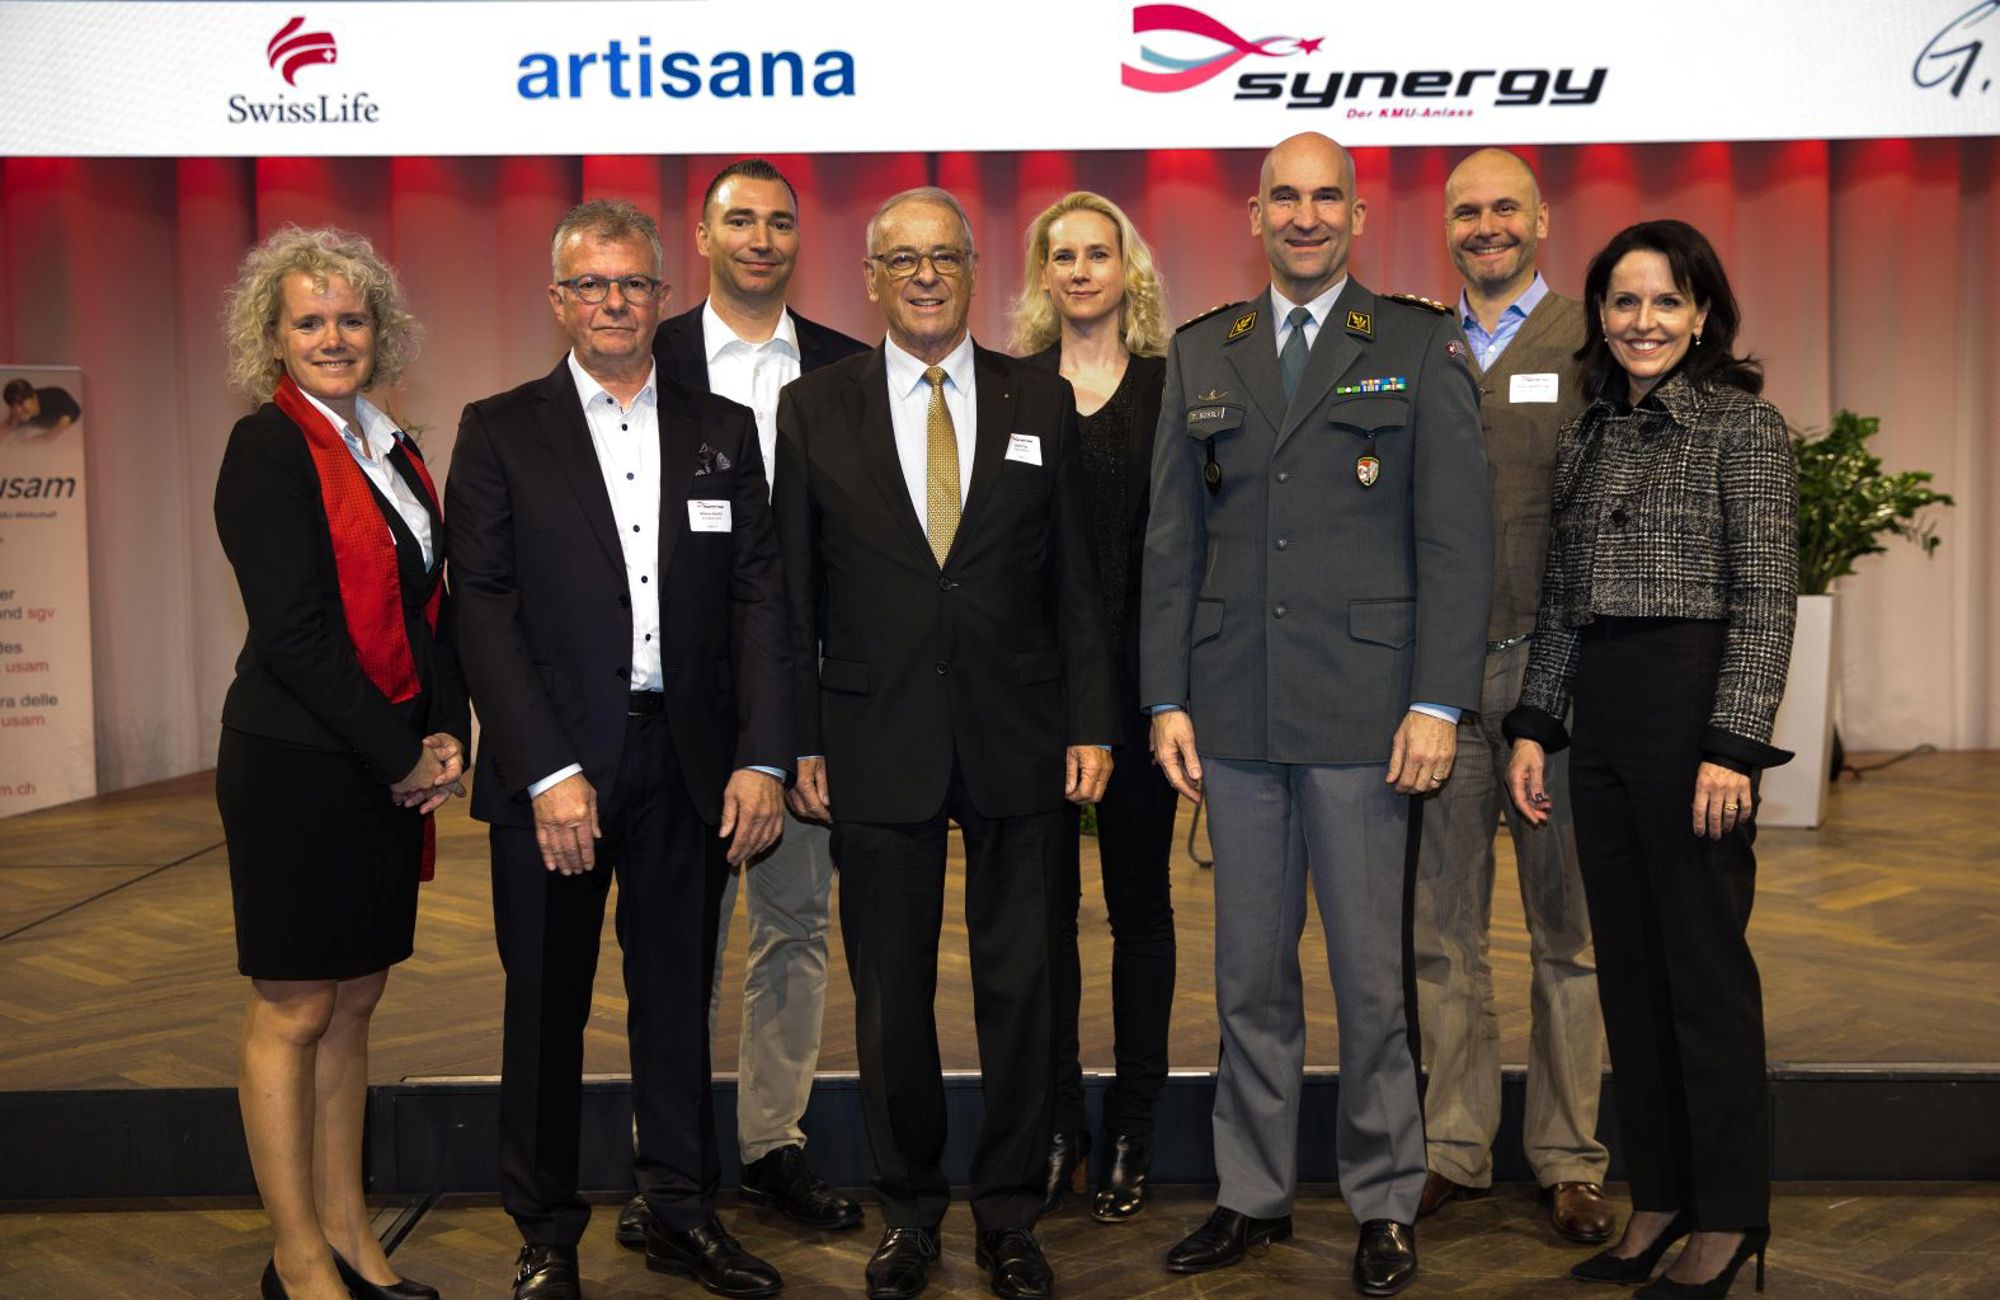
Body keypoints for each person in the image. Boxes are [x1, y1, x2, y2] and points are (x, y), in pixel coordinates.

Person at [1140, 132, 1492, 1298]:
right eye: (1282, 197)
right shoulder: (1204, 351)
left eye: (1324, 197)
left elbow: (1455, 541)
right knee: (1246, 975)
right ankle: (1249, 1194)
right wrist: (1165, 696)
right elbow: (1171, 543)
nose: (1303, 215)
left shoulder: (1415, 344)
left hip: (1365, 713)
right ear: (1253, 215)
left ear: (1355, 216)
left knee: (1371, 982)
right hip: (1233, 711)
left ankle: (1382, 1198)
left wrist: (1435, 699)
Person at [771, 186, 1118, 1300]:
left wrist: (1091, 721)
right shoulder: (812, 407)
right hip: (873, 737)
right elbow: (792, 594)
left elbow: (1076, 583)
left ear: (973, 272)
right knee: (890, 996)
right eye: (901, 260)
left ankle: (1010, 1213)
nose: (924, 277)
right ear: (870, 278)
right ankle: (910, 1210)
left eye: (944, 258)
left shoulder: (1039, 398)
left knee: (1024, 988)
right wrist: (799, 738)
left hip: (1021, 734)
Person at [446, 199, 794, 1300]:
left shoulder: (720, 430)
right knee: (546, 1009)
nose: (614, 302)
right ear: (558, 300)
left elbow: (759, 600)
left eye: (633, 283)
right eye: (592, 284)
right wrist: (545, 772)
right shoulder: (499, 429)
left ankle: (681, 1211)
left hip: (688, 767)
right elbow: (482, 610)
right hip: (554, 774)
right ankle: (545, 1230)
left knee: (677, 1003)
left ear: (661, 294)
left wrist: (763, 756)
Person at [1505, 219, 1797, 1299]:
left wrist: (1732, 748)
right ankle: (1663, 1199)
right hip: (1604, 720)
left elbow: (1766, 598)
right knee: (1629, 977)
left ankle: (1730, 1214)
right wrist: (1536, 723)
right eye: (1623, 302)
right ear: (1600, 314)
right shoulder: (1590, 429)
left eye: (1665, 301)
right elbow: (1561, 600)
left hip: (1691, 718)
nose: (1642, 322)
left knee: (1703, 980)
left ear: (1702, 312)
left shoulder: (1743, 425)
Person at [614, 158, 868, 1249]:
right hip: (673, 711)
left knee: (795, 927)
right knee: (674, 948)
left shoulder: (849, 366)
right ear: (703, 238)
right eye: (740, 221)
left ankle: (772, 1144)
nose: (761, 239)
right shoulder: (643, 350)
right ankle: (665, 1166)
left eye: (778, 222)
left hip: (803, 705)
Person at [213, 226, 466, 1300]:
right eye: (309, 321)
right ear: (272, 337)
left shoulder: (391, 445)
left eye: (350, 319)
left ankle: (352, 1235)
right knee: (296, 1009)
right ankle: (297, 1257)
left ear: (380, 330)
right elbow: (297, 636)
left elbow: (431, 603)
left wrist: (445, 732)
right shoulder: (265, 450)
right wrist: (402, 752)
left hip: (381, 762)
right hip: (296, 767)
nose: (332, 337)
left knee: (354, 1002)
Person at [1412, 148, 1613, 1242]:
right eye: (1465, 210)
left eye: (1504, 207)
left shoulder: (1591, 341)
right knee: (1440, 929)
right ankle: (1453, 1145)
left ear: (1542, 220)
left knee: (1565, 931)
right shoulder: (1413, 345)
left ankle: (1569, 1158)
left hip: (1555, 679)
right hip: (1439, 685)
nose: (1484, 225)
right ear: (1443, 225)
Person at [1006, 190, 1179, 1224]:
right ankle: (1061, 1122)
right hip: (1037, 697)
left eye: (1097, 253)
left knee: (1141, 908)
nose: (1079, 270)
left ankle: (1135, 1127)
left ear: (1128, 269)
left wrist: (1173, 693)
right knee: (1045, 920)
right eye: (1061, 255)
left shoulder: (1171, 385)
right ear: (1043, 273)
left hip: (1147, 694)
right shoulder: (1009, 389)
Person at [3, 378, 82, 435]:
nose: (17, 410)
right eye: (12, 405)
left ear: (34, 398)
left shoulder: (58, 402)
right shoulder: (19, 412)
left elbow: (49, 438)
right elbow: (7, 428)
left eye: (21, 403)